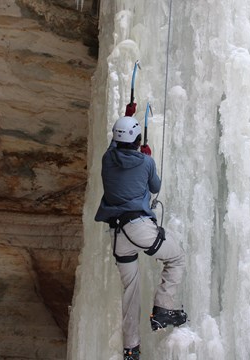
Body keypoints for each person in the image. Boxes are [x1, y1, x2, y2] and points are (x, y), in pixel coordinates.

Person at [95, 107, 188, 360]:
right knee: (176, 257)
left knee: (130, 292)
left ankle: (131, 350)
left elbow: (115, 146)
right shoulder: (146, 161)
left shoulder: (106, 159)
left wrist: (126, 116)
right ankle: (163, 309)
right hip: (139, 228)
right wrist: (146, 156)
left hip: (118, 235)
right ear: (137, 141)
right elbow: (155, 186)